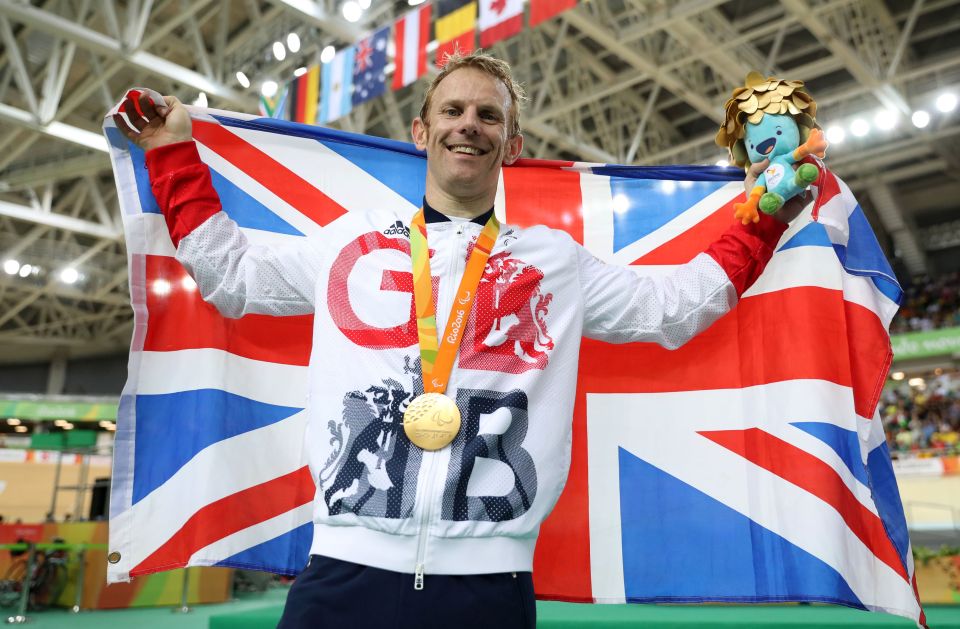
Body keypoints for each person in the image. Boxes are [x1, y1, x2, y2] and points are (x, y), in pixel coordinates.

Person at [113, 51, 804, 629]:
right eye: (453, 111)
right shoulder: (349, 243)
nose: (468, 126)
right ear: (421, 131)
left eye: (488, 115)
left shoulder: (553, 262)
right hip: (342, 576)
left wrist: (762, 219)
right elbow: (232, 276)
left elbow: (672, 307)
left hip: (489, 584)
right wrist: (171, 149)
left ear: (513, 144)